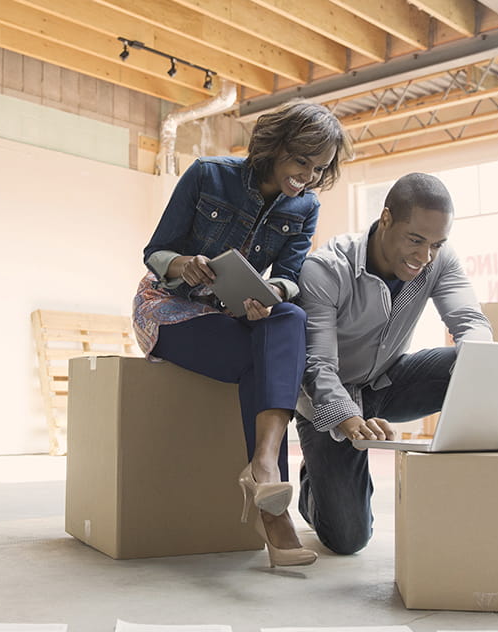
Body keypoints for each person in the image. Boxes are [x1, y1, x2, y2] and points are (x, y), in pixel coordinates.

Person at [132, 100, 352, 568]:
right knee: (266, 358)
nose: (308, 176)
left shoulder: (306, 205)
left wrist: (270, 292)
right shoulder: (208, 175)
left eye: (319, 169)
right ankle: (275, 514)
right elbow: (155, 251)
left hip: (233, 314)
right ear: (276, 147)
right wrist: (182, 264)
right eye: (301, 162)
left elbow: (290, 275)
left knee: (288, 317)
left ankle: (264, 466)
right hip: (169, 310)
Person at [294, 172, 494, 555]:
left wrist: (482, 370)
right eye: (415, 240)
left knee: (473, 363)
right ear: (386, 219)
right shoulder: (325, 270)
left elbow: (471, 323)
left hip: (387, 384)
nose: (424, 256)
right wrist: (349, 420)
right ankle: (316, 480)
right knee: (348, 539)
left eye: (436, 244)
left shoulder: (439, 261)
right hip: (329, 402)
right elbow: (317, 365)